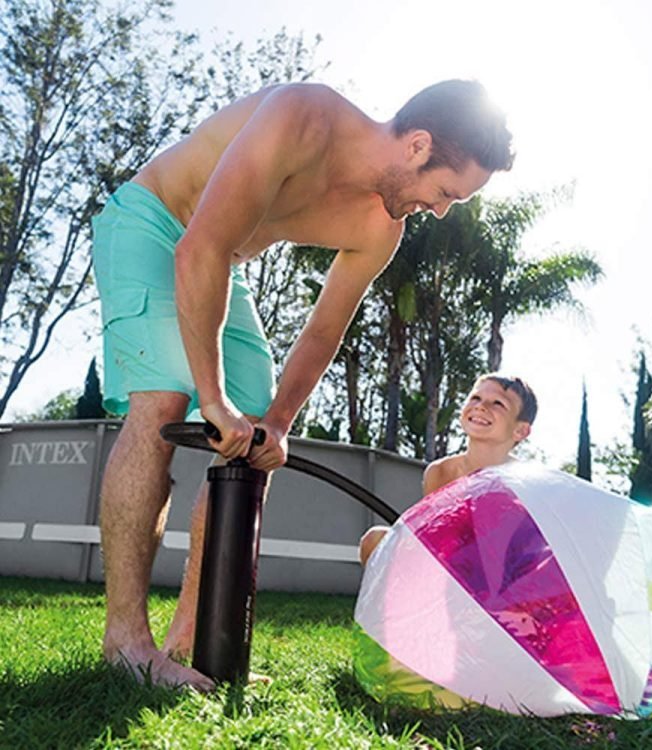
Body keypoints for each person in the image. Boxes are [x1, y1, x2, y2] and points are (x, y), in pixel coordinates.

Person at [92, 80, 514, 690]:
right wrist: (211, 397)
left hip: (223, 262)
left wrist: (279, 423)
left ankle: (193, 639)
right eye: (446, 192)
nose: (442, 210)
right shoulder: (303, 118)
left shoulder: (382, 227)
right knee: (163, 403)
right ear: (418, 146)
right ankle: (126, 643)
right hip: (155, 225)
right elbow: (198, 249)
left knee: (254, 442)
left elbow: (322, 332)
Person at [359, 374, 537, 566]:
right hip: (450, 564)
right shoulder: (441, 472)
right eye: (476, 398)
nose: (480, 406)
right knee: (375, 540)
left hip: (501, 569)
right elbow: (435, 538)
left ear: (520, 431)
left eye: (498, 403)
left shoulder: (524, 483)